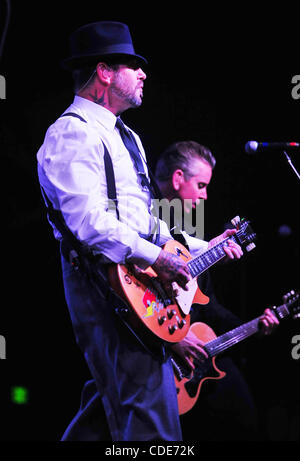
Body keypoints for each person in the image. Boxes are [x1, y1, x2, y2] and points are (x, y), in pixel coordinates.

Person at [37, 22, 244, 442]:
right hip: (102, 283)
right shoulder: (72, 132)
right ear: (105, 72)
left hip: (135, 284)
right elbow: (88, 222)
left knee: (119, 410)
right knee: (150, 417)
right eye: (133, 65)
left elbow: (146, 222)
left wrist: (207, 246)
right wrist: (156, 258)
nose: (144, 73)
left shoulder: (126, 136)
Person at [155, 140, 279, 440]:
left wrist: (253, 326)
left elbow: (208, 304)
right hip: (155, 343)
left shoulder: (176, 234)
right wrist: (173, 340)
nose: (205, 195)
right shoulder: (139, 214)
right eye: (201, 184)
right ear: (177, 179)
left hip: (183, 344)